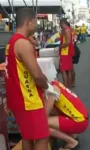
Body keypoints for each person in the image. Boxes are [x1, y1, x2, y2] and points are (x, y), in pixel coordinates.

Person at [5, 8, 60, 150]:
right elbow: (36, 75)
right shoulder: (23, 44)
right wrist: (48, 87)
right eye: (35, 22)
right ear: (27, 22)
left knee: (27, 137)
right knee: (42, 136)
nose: (36, 25)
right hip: (29, 100)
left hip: (18, 99)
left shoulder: (12, 42)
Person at [45, 81, 89, 150]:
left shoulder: (52, 91)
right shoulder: (55, 83)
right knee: (52, 115)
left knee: (43, 124)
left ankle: (72, 142)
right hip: (81, 116)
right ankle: (72, 135)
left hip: (79, 121)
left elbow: (45, 114)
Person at [59, 18, 73, 88]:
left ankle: (66, 87)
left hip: (65, 52)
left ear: (62, 23)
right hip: (67, 51)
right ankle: (69, 86)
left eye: (60, 24)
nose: (59, 25)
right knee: (69, 70)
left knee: (63, 70)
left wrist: (60, 46)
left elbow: (68, 42)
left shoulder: (66, 30)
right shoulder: (67, 29)